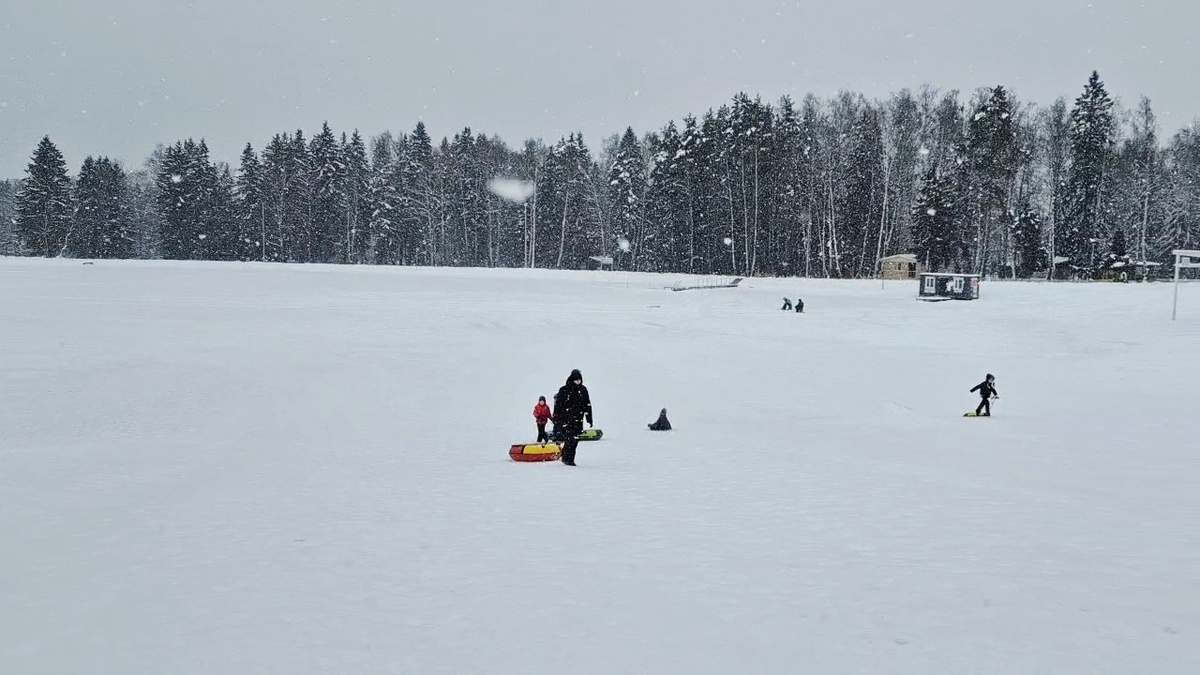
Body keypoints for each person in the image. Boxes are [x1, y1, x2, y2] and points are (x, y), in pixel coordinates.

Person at [552, 369, 592, 466]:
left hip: (578, 419)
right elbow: (558, 405)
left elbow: (587, 404)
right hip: (566, 419)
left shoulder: (583, 390)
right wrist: (556, 418)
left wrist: (589, 418)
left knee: (575, 440)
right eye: (576, 380)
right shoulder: (564, 390)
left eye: (579, 380)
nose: (578, 382)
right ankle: (568, 460)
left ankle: (567, 458)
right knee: (570, 439)